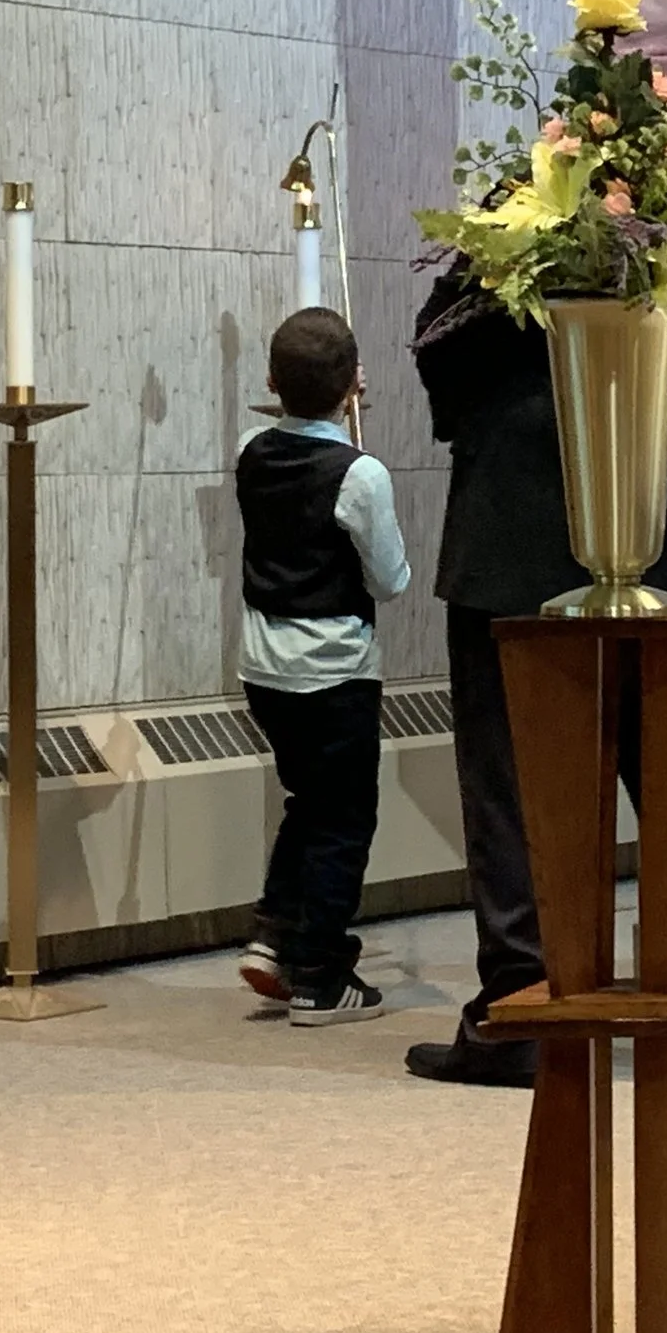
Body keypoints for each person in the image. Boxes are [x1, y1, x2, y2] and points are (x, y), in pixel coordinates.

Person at [406, 0, 667, 1088]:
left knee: (662, 792)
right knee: (567, 792)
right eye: (627, 51)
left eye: (662, 51)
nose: (649, 71)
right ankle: (574, 1007)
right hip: (578, 533)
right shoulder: (560, 197)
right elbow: (443, 340)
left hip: (618, 536)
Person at [233, 308, 413, 1026]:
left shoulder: (251, 450)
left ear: (271, 382)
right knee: (343, 820)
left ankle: (275, 935)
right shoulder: (360, 473)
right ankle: (320, 976)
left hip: (264, 670)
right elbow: (390, 580)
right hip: (334, 671)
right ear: (353, 385)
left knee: (307, 801)